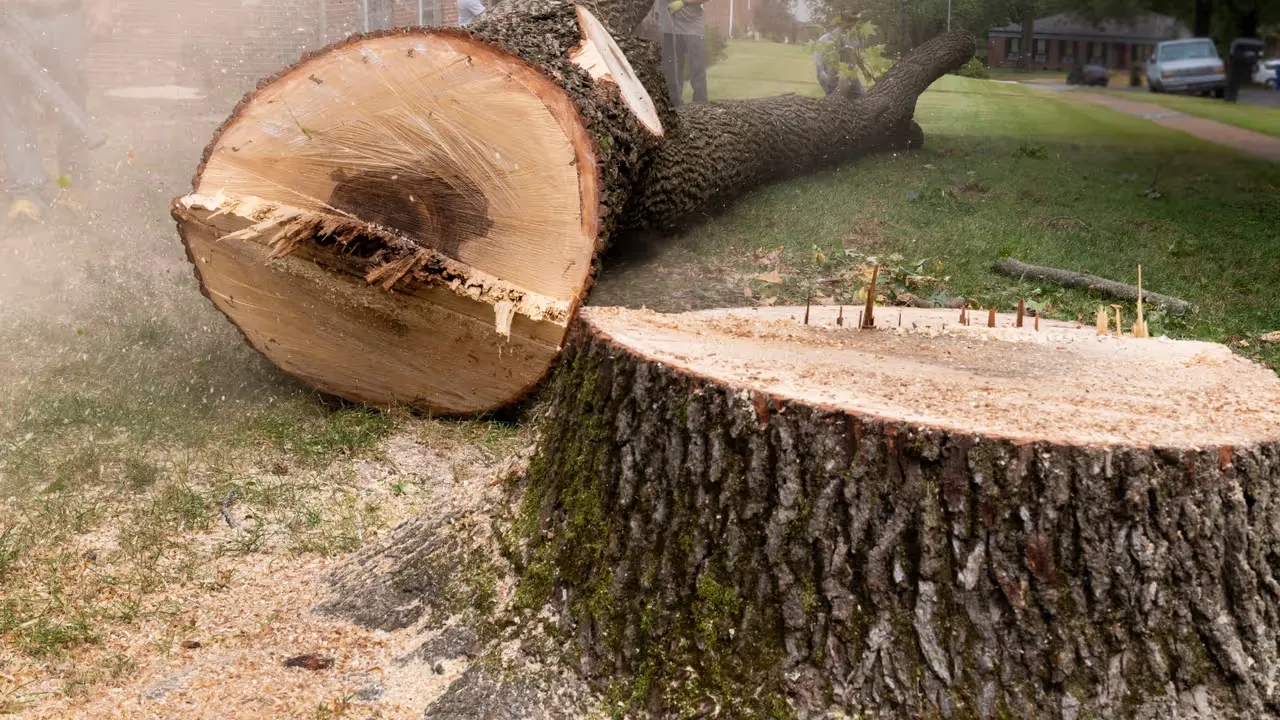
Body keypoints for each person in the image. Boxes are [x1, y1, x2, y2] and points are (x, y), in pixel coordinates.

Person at [1, 0, 109, 223]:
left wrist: (101, 5)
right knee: (13, 101)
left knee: (71, 97)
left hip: (67, 16)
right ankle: (27, 193)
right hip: (12, 17)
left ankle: (74, 185)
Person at [656, 0, 709, 105]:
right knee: (673, 70)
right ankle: (674, 104)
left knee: (697, 67)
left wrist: (684, 2)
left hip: (693, 27)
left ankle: (700, 103)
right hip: (670, 28)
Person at [814, 16, 864, 97]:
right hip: (830, 74)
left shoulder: (851, 38)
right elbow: (818, 60)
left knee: (860, 95)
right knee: (834, 98)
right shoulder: (825, 39)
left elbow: (856, 58)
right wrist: (822, 72)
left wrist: (864, 71)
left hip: (848, 73)